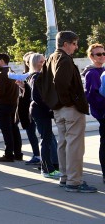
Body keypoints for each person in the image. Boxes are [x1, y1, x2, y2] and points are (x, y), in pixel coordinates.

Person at [44, 31, 97, 192]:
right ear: (65, 44)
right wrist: (70, 101)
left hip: (59, 108)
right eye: (74, 43)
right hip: (68, 108)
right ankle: (74, 181)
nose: (76, 47)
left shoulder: (52, 57)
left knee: (64, 143)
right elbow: (60, 81)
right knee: (74, 145)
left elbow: (45, 82)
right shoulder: (64, 59)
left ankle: (65, 177)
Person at [28, 53, 61, 179]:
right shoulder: (37, 76)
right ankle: (47, 169)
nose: (45, 62)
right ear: (36, 63)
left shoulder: (36, 76)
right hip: (41, 112)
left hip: (40, 111)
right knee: (45, 140)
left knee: (46, 139)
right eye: (42, 61)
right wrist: (50, 107)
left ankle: (47, 167)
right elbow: (37, 97)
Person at [0, 53, 23, 162]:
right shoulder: (12, 72)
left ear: (1, 61)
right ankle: (18, 153)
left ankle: (9, 154)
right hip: (13, 106)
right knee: (14, 130)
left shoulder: (1, 75)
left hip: (4, 106)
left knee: (7, 131)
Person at [83, 43, 105, 184]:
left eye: (104, 53)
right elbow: (92, 96)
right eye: (98, 54)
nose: (102, 56)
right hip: (103, 113)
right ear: (91, 56)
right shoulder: (91, 73)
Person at [19, 52, 41, 165]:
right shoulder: (26, 75)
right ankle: (38, 155)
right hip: (28, 108)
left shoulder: (34, 75)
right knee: (32, 132)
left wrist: (24, 88)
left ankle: (40, 156)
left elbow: (32, 94)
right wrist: (22, 87)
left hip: (34, 108)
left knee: (41, 134)